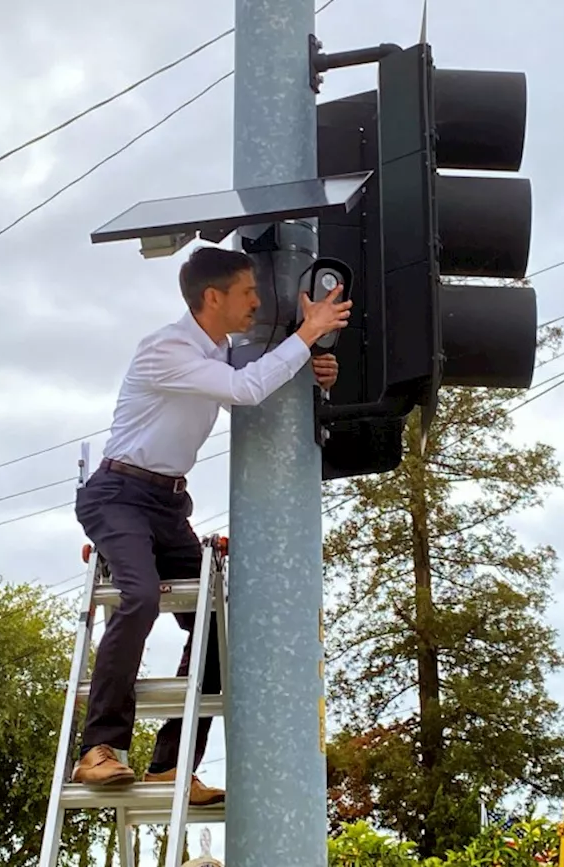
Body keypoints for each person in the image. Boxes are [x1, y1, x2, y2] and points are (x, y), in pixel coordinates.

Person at [69, 245, 352, 804]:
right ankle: (98, 750)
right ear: (213, 297)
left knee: (222, 630)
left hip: (168, 505)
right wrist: (306, 332)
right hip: (118, 496)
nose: (257, 302)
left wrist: (315, 375)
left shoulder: (216, 352)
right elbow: (246, 389)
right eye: (248, 292)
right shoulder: (167, 349)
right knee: (141, 596)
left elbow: (255, 401)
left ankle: (170, 767)